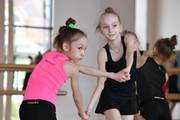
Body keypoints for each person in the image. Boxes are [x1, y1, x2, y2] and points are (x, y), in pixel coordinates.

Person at [19, 17, 130, 120]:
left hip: (25, 107)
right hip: (44, 108)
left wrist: (112, 75)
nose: (83, 53)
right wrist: (81, 112)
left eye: (84, 49)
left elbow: (86, 69)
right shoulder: (71, 68)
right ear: (66, 46)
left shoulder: (49, 56)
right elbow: (77, 96)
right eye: (80, 48)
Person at [86, 7, 138, 120]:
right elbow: (100, 83)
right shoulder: (102, 53)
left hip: (129, 95)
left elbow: (129, 53)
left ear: (120, 27)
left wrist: (128, 68)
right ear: (100, 30)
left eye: (114, 25)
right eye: (105, 27)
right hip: (110, 95)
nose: (110, 30)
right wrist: (89, 107)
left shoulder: (128, 39)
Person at [136, 35, 178, 120]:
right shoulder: (165, 74)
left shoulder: (143, 60)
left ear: (155, 49)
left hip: (149, 105)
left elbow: (133, 52)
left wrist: (147, 52)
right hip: (164, 107)